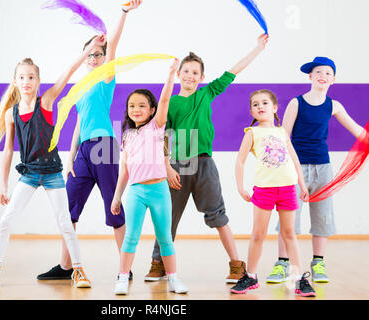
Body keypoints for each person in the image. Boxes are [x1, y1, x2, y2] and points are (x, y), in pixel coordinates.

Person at [0, 39, 106, 288]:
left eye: (31, 77)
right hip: (30, 174)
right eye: (22, 77)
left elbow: (67, 73)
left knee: (65, 222)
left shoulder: (46, 102)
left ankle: (78, 271)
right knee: (6, 221)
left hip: (53, 173)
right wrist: (3, 185)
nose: (26, 81)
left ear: (38, 81)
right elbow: (9, 150)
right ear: (15, 81)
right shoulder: (10, 114)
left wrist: (88, 51)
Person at [145, 34, 268, 284]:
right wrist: (167, 167)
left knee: (218, 216)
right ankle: (158, 264)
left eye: (195, 72)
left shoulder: (207, 93)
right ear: (179, 74)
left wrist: (257, 48)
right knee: (166, 217)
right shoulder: (169, 103)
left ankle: (236, 266)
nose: (190, 75)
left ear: (202, 78)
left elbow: (234, 70)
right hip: (177, 166)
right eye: (186, 71)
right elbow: (161, 138)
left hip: (204, 164)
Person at [37, 0, 142, 281]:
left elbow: (114, 44)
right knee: (68, 208)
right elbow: (79, 124)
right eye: (90, 55)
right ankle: (65, 267)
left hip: (105, 148)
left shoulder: (106, 78)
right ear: (84, 58)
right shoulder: (80, 88)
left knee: (114, 208)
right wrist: (70, 156)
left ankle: (125, 269)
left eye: (99, 55)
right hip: (83, 152)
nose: (94, 59)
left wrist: (123, 12)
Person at [266, 57, 364, 284]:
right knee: (288, 217)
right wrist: (280, 165)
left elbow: (355, 129)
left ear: (333, 79)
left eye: (328, 73)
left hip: (323, 169)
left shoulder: (334, 105)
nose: (323, 76)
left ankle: (318, 261)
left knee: (323, 216)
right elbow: (284, 135)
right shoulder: (296, 103)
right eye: (318, 72)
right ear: (310, 76)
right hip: (295, 168)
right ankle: (282, 262)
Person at [111, 59, 189, 295]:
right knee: (131, 237)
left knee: (165, 237)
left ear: (152, 110)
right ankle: (123, 277)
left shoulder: (157, 128)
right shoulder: (126, 136)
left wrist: (171, 75)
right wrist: (117, 197)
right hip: (136, 192)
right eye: (132, 106)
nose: (136, 109)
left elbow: (165, 98)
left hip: (159, 191)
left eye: (142, 106)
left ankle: (173, 278)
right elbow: (124, 170)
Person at [230, 89, 316, 297]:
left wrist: (303, 186)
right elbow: (240, 161)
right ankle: (250, 275)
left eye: (265, 103)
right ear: (251, 110)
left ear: (274, 107)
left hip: (287, 189)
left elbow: (295, 159)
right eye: (256, 104)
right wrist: (240, 187)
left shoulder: (282, 132)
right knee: (258, 234)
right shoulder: (252, 133)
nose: (261, 107)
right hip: (264, 190)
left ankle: (298, 278)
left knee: (289, 234)